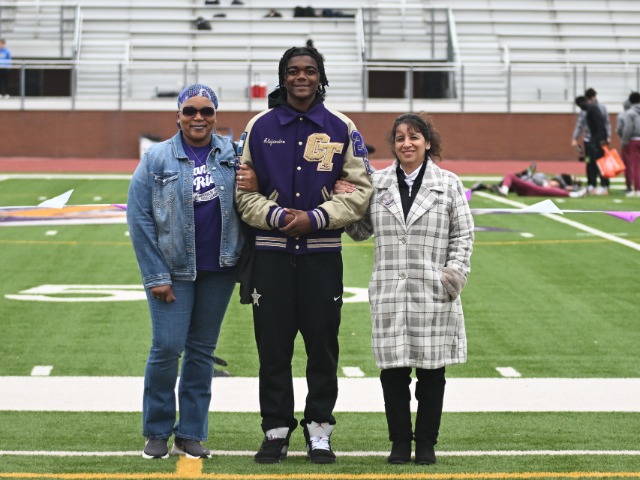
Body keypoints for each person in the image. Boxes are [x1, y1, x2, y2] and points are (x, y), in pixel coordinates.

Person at [235, 45, 373, 464]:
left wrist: (315, 218)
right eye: (293, 71)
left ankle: (319, 430)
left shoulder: (341, 126)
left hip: (322, 257)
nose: (301, 77)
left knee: (323, 349)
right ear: (283, 77)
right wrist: (279, 216)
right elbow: (242, 193)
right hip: (271, 258)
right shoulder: (258, 126)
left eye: (310, 71)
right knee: (273, 349)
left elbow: (360, 191)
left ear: (320, 77)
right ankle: (276, 431)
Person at [126, 83, 257, 460]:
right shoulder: (156, 158)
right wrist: (156, 276)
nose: (198, 117)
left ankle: (191, 433)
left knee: (201, 352)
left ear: (215, 116)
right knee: (167, 347)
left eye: (206, 111)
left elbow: (257, 194)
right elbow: (139, 218)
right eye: (190, 111)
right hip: (173, 270)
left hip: (220, 268)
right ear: (178, 116)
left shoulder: (233, 154)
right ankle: (156, 430)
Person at [344, 113, 474, 466]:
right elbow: (360, 232)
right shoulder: (377, 182)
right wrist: (346, 200)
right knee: (393, 373)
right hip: (390, 291)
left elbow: (463, 236)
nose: (407, 143)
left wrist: (453, 275)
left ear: (427, 142)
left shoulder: (448, 183)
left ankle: (427, 443)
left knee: (432, 373)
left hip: (433, 290)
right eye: (400, 137)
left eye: (414, 137)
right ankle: (400, 442)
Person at [572, 88, 611, 195]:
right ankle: (592, 184)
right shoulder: (587, 109)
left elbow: (604, 124)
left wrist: (604, 138)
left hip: (597, 141)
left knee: (601, 163)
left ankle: (604, 185)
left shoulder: (597, 108)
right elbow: (580, 124)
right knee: (589, 162)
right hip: (589, 140)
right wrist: (575, 137)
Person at [472, 164, 586, 198]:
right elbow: (535, 177)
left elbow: (559, 187)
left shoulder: (558, 184)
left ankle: (502, 190)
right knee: (509, 177)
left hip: (530, 187)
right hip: (526, 185)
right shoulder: (544, 178)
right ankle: (487, 188)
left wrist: (573, 189)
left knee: (509, 176)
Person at [620, 91, 640, 197]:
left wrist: (624, 141)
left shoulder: (630, 113)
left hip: (634, 140)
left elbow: (628, 128)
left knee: (636, 165)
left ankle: (637, 189)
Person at [616, 98, 633, 193]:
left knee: (628, 165)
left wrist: (624, 139)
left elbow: (619, 129)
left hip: (628, 142)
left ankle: (629, 186)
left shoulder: (622, 115)